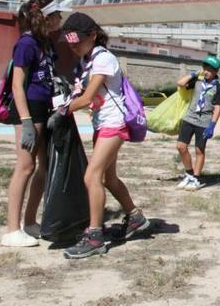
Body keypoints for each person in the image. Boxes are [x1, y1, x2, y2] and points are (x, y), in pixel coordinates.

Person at [59, 13, 149, 259]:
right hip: (103, 125)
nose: (73, 46)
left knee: (92, 176)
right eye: (70, 41)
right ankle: (136, 217)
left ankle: (95, 236)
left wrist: (61, 108)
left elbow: (87, 98)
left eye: (77, 40)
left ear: (93, 36)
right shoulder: (88, 61)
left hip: (114, 124)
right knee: (108, 178)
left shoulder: (103, 59)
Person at [1, 0, 66, 247]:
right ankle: (11, 229)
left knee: (44, 167)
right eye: (57, 15)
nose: (60, 20)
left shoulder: (45, 44)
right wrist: (26, 121)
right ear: (46, 17)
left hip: (45, 109)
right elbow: (17, 83)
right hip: (30, 111)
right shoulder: (26, 43)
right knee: (25, 166)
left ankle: (29, 222)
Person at [174, 54, 220, 191]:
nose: (206, 71)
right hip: (189, 117)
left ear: (215, 72)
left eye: (210, 70)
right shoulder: (197, 80)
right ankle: (189, 174)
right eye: (205, 68)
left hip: (204, 121)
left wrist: (212, 125)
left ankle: (195, 178)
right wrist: (194, 74)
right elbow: (180, 83)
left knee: (199, 150)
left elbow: (218, 107)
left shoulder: (218, 87)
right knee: (181, 146)